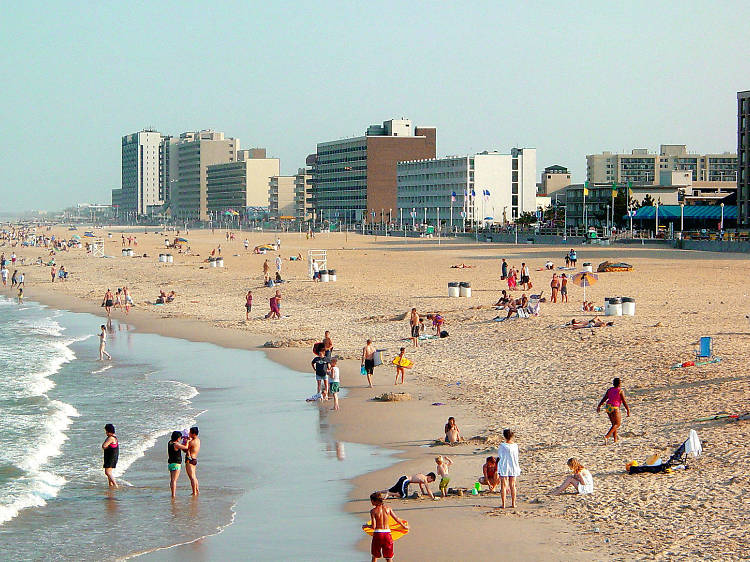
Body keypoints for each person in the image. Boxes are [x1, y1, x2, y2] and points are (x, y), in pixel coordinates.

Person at [362, 492, 408, 562]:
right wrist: (404, 526)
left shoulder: (373, 511)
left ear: (375, 501)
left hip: (378, 534)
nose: (371, 502)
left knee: (375, 556)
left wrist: (366, 526)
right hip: (387, 534)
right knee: (389, 557)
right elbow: (396, 519)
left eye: (371, 500)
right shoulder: (388, 508)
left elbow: (373, 526)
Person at [596, 377, 630, 443]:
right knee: (617, 424)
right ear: (619, 384)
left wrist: (599, 405)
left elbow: (605, 398)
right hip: (615, 407)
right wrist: (628, 410)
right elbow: (624, 401)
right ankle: (607, 436)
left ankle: (615, 439)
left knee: (614, 424)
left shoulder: (609, 390)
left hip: (608, 406)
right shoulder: (620, 391)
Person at [497, 428, 520, 508]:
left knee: (503, 485)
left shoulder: (502, 446)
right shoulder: (515, 445)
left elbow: (500, 456)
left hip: (504, 465)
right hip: (513, 465)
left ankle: (503, 504)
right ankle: (513, 503)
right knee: (512, 485)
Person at [167, 431, 184, 498]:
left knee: (172, 480)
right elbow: (185, 447)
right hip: (176, 464)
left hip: (170, 463)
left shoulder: (170, 443)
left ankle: (172, 493)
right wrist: (187, 441)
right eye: (180, 438)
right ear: (177, 438)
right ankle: (173, 495)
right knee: (174, 480)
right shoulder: (176, 445)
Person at [183, 427, 200, 496]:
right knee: (194, 476)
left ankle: (194, 492)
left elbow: (185, 449)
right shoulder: (198, 440)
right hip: (194, 459)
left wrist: (186, 441)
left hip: (189, 459)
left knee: (192, 477)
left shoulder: (191, 442)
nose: (189, 433)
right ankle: (197, 490)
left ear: (193, 433)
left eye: (190, 432)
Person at [102, 423, 119, 488]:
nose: (106, 433)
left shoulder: (111, 438)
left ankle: (116, 485)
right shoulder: (114, 437)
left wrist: (105, 447)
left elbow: (104, 446)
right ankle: (110, 485)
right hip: (113, 456)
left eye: (106, 431)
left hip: (110, 457)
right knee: (109, 471)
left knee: (107, 472)